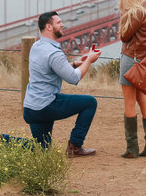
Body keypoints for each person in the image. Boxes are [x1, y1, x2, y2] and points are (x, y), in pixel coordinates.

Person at [22, 10, 101, 157]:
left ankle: (3, 140)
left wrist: (75, 63)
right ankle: (75, 147)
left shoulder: (36, 47)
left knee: (42, 149)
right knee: (90, 103)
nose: (62, 24)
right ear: (49, 27)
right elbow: (73, 79)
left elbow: (50, 70)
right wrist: (89, 60)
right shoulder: (54, 53)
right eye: (59, 22)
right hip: (46, 105)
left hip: (31, 107)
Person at [117, 0, 146, 158]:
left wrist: (124, 17)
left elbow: (124, 36)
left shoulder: (137, 13)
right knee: (143, 101)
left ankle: (132, 148)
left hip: (130, 61)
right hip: (144, 61)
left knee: (129, 103)